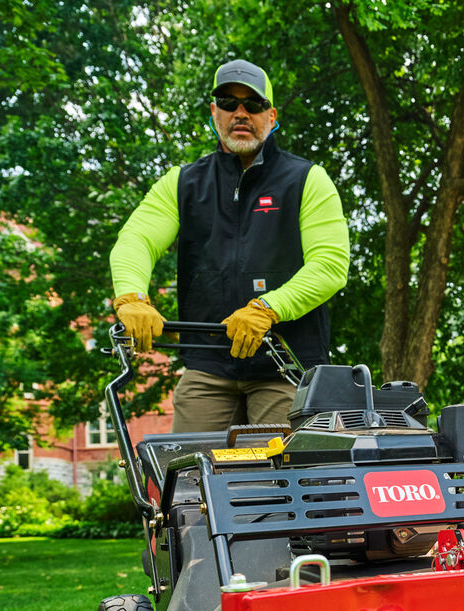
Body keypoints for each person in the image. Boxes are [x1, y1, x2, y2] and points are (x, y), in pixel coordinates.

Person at [109, 59, 350, 432]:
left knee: (281, 483)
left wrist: (267, 309)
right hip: (207, 369)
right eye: (228, 103)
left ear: (270, 115)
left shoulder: (307, 180)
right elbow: (136, 239)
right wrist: (131, 296)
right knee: (191, 480)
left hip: (285, 367)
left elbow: (330, 266)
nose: (240, 113)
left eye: (252, 104)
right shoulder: (182, 182)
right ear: (214, 112)